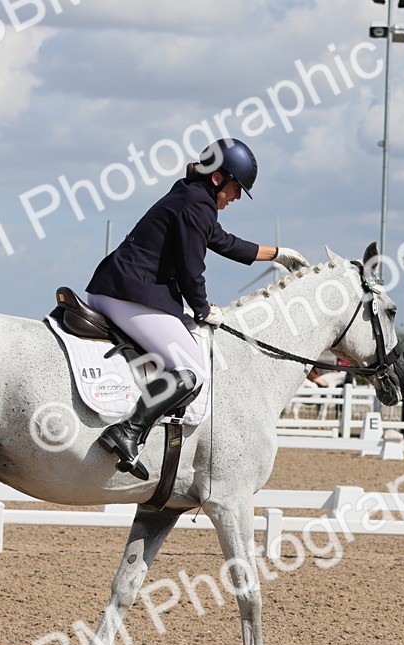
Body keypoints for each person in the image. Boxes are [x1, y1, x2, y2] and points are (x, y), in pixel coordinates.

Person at [85, 138, 309, 478]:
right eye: (236, 188)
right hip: (130, 293)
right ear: (218, 178)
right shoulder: (196, 204)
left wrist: (277, 253)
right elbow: (192, 268)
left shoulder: (191, 195)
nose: (236, 197)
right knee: (192, 369)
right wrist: (202, 309)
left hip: (119, 287)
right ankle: (127, 431)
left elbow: (223, 241)